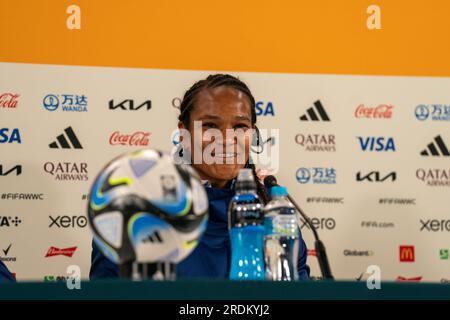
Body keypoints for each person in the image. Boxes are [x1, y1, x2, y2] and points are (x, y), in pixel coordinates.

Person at [90, 74, 310, 279]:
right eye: (210, 126)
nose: (226, 139)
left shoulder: (276, 215)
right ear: (183, 135)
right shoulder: (136, 208)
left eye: (240, 126)